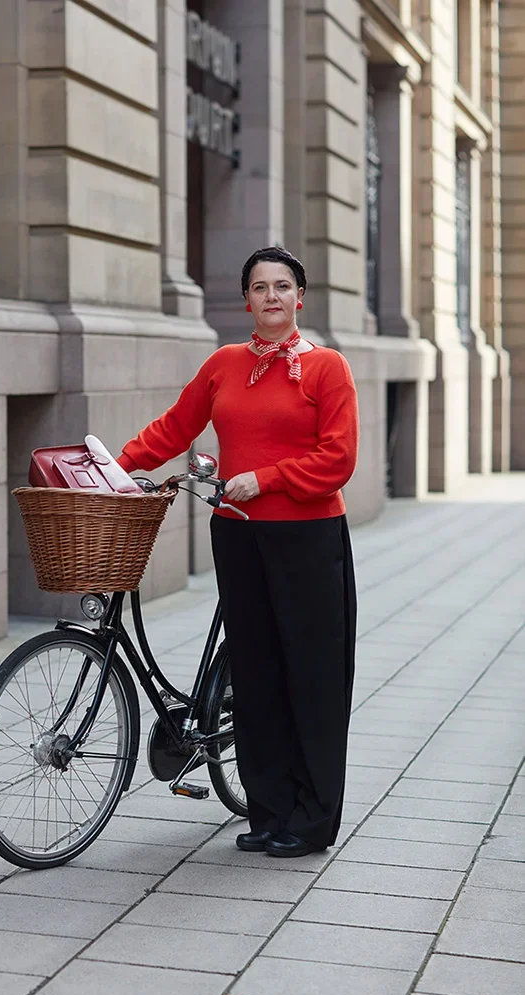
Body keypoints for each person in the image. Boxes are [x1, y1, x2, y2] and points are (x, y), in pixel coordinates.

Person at [116, 246, 359, 858]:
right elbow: (174, 427)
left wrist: (267, 477)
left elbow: (339, 459)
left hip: (305, 537)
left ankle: (309, 820)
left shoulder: (327, 367)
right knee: (255, 674)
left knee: (313, 675)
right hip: (236, 532)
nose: (271, 296)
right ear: (245, 300)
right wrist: (109, 469)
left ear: (300, 298)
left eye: (283, 286)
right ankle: (268, 809)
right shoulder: (224, 364)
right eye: (259, 287)